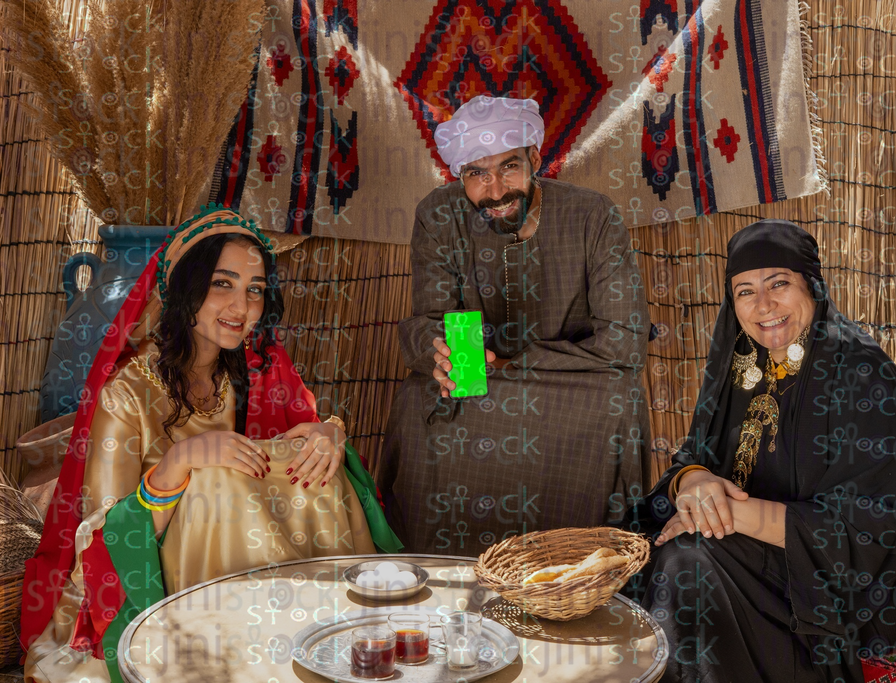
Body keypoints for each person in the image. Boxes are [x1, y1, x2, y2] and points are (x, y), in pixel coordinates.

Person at [21, 206, 399, 682]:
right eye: (222, 284)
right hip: (166, 585)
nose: (241, 307)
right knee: (216, 482)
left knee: (316, 465)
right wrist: (178, 464)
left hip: (260, 564)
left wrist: (330, 433)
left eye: (254, 290)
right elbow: (104, 535)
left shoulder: (256, 370)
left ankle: (331, 638)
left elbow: (305, 442)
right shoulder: (126, 393)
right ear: (183, 288)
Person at [632, 220, 896, 682]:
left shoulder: (861, 375)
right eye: (745, 291)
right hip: (744, 553)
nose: (764, 305)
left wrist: (726, 514)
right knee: (649, 551)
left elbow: (869, 532)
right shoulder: (740, 364)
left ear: (811, 285)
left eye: (779, 284)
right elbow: (692, 457)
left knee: (685, 566)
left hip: (835, 587)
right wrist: (694, 482)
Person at [379, 95, 652, 556]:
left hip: (569, 386)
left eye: (509, 167)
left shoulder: (593, 215)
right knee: (418, 398)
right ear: (459, 176)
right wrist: (438, 354)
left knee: (617, 398)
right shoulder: (438, 215)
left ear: (535, 159)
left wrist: (512, 364)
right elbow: (430, 320)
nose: (496, 190)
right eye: (477, 174)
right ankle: (441, 567)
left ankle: (577, 564)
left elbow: (625, 342)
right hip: (479, 384)